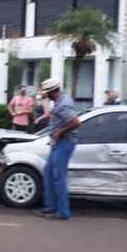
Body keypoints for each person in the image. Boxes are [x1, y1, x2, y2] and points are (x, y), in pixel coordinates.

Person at [37, 78, 80, 220]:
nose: (45, 95)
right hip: (57, 142)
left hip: (64, 142)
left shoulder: (64, 105)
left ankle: (63, 212)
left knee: (58, 177)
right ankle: (51, 207)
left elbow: (75, 122)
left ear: (52, 92)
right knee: (48, 172)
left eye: (46, 93)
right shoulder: (60, 100)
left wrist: (60, 131)